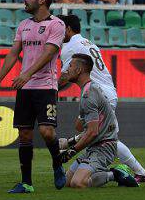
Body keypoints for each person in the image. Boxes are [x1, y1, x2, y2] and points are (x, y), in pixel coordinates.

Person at [0, 0, 66, 194]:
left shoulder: (56, 25)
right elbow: (14, 53)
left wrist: (26, 74)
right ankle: (26, 183)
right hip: (25, 88)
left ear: (42, 0)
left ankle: (57, 164)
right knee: (24, 135)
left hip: (46, 86)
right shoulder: (23, 25)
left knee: (47, 132)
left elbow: (49, 53)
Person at [58, 15, 145, 183]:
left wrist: (46, 89)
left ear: (68, 29)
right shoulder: (87, 42)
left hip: (98, 94)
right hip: (105, 91)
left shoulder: (70, 48)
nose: (56, 32)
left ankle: (139, 173)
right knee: (100, 134)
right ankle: (140, 173)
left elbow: (64, 79)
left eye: (59, 28)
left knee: (107, 137)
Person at [58, 54, 140, 189]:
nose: (67, 69)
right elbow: (79, 127)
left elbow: (92, 132)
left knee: (78, 183)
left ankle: (115, 173)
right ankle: (109, 173)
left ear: (79, 70)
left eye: (71, 66)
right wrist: (71, 141)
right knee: (66, 182)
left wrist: (71, 151)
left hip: (104, 146)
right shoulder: (88, 90)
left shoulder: (89, 93)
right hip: (94, 146)